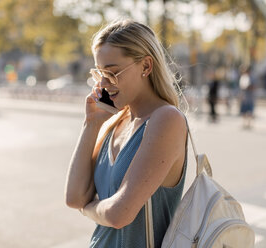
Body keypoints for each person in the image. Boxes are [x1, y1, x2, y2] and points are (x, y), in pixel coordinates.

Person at [65, 19, 188, 247]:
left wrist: (90, 208)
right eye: (99, 73)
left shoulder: (166, 119)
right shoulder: (115, 122)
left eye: (112, 72)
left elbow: (118, 215)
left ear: (146, 67)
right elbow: (74, 197)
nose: (103, 83)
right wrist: (91, 123)